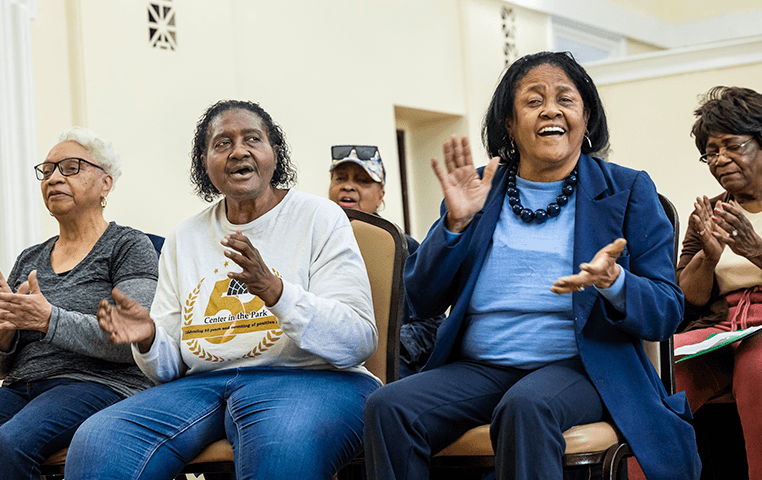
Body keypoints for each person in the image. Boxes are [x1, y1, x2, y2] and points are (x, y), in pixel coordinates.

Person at [362, 51, 700, 480]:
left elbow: (666, 310)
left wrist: (615, 282)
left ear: (586, 116)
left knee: (527, 406)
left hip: (580, 367)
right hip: (480, 366)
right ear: (509, 122)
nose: (551, 110)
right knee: (389, 407)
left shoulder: (628, 189)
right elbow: (421, 297)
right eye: (534, 100)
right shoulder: (480, 188)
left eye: (565, 99)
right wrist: (454, 224)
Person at [64, 100, 380, 480]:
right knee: (97, 440)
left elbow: (358, 337)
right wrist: (149, 339)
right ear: (204, 162)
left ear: (274, 154)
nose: (238, 151)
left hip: (313, 379)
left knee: (282, 448)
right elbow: (169, 368)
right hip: (203, 384)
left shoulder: (319, 217)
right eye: (222, 143)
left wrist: (276, 291)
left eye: (252, 139)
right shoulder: (185, 236)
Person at [0, 127, 158, 480]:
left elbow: (132, 340)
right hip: (21, 386)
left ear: (105, 183)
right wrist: (2, 336)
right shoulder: (31, 259)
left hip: (99, 384)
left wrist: (48, 319)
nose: (54, 177)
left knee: (9, 444)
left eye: (71, 167)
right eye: (48, 169)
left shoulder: (128, 246)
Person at [674, 86, 762, 480]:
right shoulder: (709, 212)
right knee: (658, 366)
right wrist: (708, 256)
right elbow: (688, 298)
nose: (720, 159)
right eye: (711, 151)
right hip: (718, 329)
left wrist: (754, 250)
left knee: (757, 369)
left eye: (732, 145)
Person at [328, 145, 444, 377]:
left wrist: (384, 346)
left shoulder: (403, 247)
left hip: (390, 374)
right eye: (340, 178)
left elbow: (433, 325)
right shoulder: (314, 241)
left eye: (362, 180)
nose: (348, 186)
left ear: (381, 194)